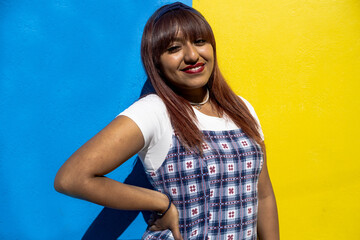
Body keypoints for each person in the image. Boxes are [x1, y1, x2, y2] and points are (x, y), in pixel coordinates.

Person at [54, 2, 279, 239]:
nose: (192, 56)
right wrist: (160, 201)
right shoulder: (155, 112)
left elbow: (263, 196)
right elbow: (71, 178)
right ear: (156, 61)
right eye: (174, 48)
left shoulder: (241, 108)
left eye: (200, 41)